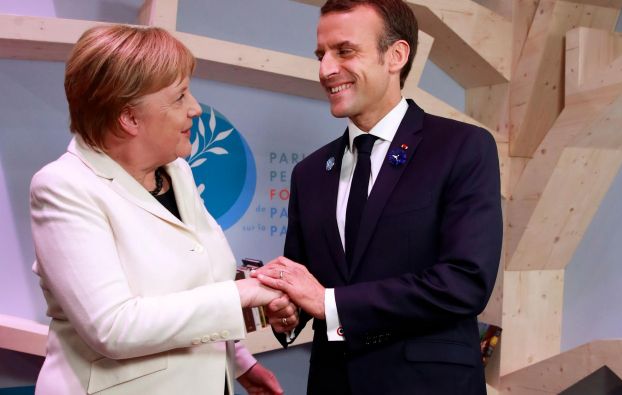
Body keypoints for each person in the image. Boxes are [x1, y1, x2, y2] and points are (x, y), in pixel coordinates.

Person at [29, 25, 296, 395]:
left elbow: (196, 287)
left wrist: (239, 362)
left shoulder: (178, 172)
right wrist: (244, 296)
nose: (195, 108)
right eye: (179, 96)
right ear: (129, 118)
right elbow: (113, 327)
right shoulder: (64, 187)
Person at [254, 1, 503, 394]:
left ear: (396, 56)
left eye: (344, 51)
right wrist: (288, 312)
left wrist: (329, 303)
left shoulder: (462, 147)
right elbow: (310, 290)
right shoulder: (309, 173)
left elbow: (464, 281)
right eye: (321, 55)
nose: (325, 70)